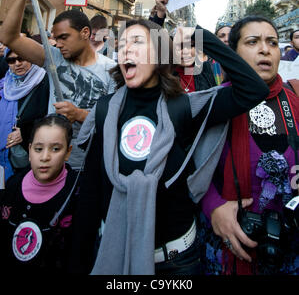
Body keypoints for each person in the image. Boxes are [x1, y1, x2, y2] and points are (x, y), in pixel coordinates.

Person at [69, 18, 269, 275]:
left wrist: (200, 36)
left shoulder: (185, 107)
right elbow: (90, 192)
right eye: (123, 44)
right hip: (112, 252)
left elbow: (253, 90)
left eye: (138, 42)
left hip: (178, 263)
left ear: (161, 53)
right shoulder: (105, 110)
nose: (126, 49)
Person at [198, 15, 299, 275]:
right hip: (226, 251)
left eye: (273, 43)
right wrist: (213, 206)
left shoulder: (296, 97)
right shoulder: (216, 102)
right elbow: (191, 168)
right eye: (252, 42)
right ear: (232, 54)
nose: (265, 49)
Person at [0, 0, 116, 170]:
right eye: (55, 38)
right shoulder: (52, 58)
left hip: (90, 165)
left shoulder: (111, 71)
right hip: (52, 166)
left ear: (85, 33)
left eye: (64, 37)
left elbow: (116, 121)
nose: (58, 44)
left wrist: (80, 115)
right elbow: (9, 37)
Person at [0, 114, 79, 273]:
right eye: (38, 149)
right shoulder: (13, 186)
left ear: (68, 152)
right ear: (29, 150)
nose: (44, 157)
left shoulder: (78, 191)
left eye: (55, 149)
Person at [0, 49, 49, 181]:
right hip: (5, 154)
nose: (17, 64)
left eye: (22, 58)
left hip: (27, 152)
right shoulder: (5, 84)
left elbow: (49, 118)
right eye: (11, 60)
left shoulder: (43, 82)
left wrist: (26, 133)